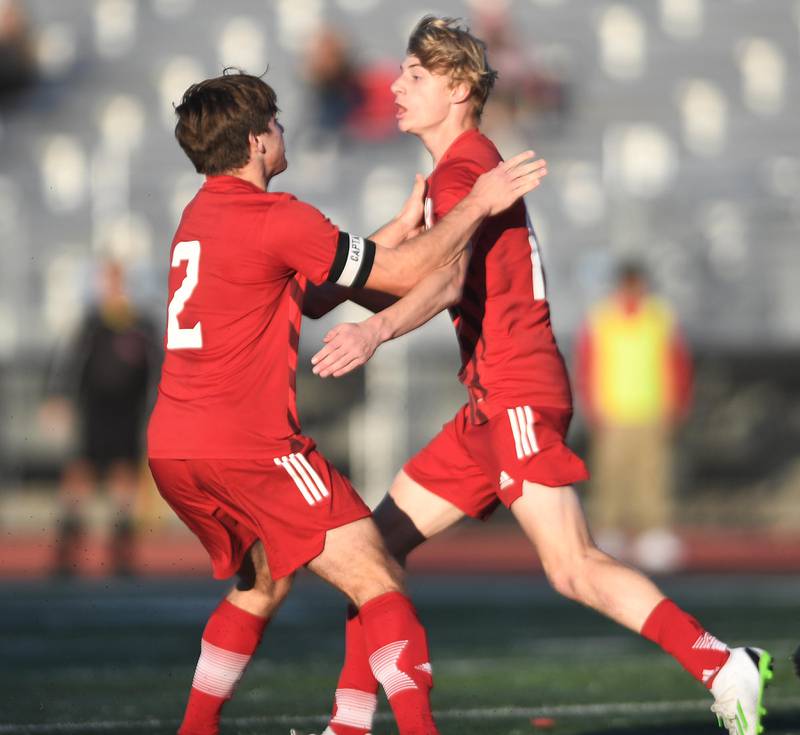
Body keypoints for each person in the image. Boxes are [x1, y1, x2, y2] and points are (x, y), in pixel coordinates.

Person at [299, 17, 772, 735]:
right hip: (490, 403)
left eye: (415, 77)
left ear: (459, 88)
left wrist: (374, 328)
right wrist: (363, 271)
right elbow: (414, 274)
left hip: (516, 391)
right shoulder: (452, 173)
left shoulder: (464, 170)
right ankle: (349, 725)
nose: (395, 87)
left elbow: (447, 282)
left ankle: (722, 665)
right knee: (372, 553)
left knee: (573, 566)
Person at [146, 69, 547, 735]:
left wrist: (393, 229)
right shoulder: (277, 216)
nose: (282, 131)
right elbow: (403, 276)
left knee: (264, 583)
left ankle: (200, 727)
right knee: (380, 577)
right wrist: (476, 204)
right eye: (273, 122)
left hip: (175, 448)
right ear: (255, 144)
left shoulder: (200, 218)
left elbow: (308, 287)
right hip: (249, 445)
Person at [574, 261, 693, 570]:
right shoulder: (601, 318)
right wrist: (591, 406)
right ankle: (609, 531)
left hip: (652, 409)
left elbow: (677, 363)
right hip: (612, 411)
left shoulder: (660, 317)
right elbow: (588, 364)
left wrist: (677, 403)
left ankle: (654, 532)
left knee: (652, 475)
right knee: (611, 475)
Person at [46, 259, 157, 577]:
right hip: (94, 412)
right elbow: (70, 364)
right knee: (79, 473)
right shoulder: (93, 323)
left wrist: (156, 410)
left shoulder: (141, 326)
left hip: (128, 414)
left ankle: (121, 551)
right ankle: (67, 549)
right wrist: (59, 399)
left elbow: (157, 371)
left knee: (124, 475)